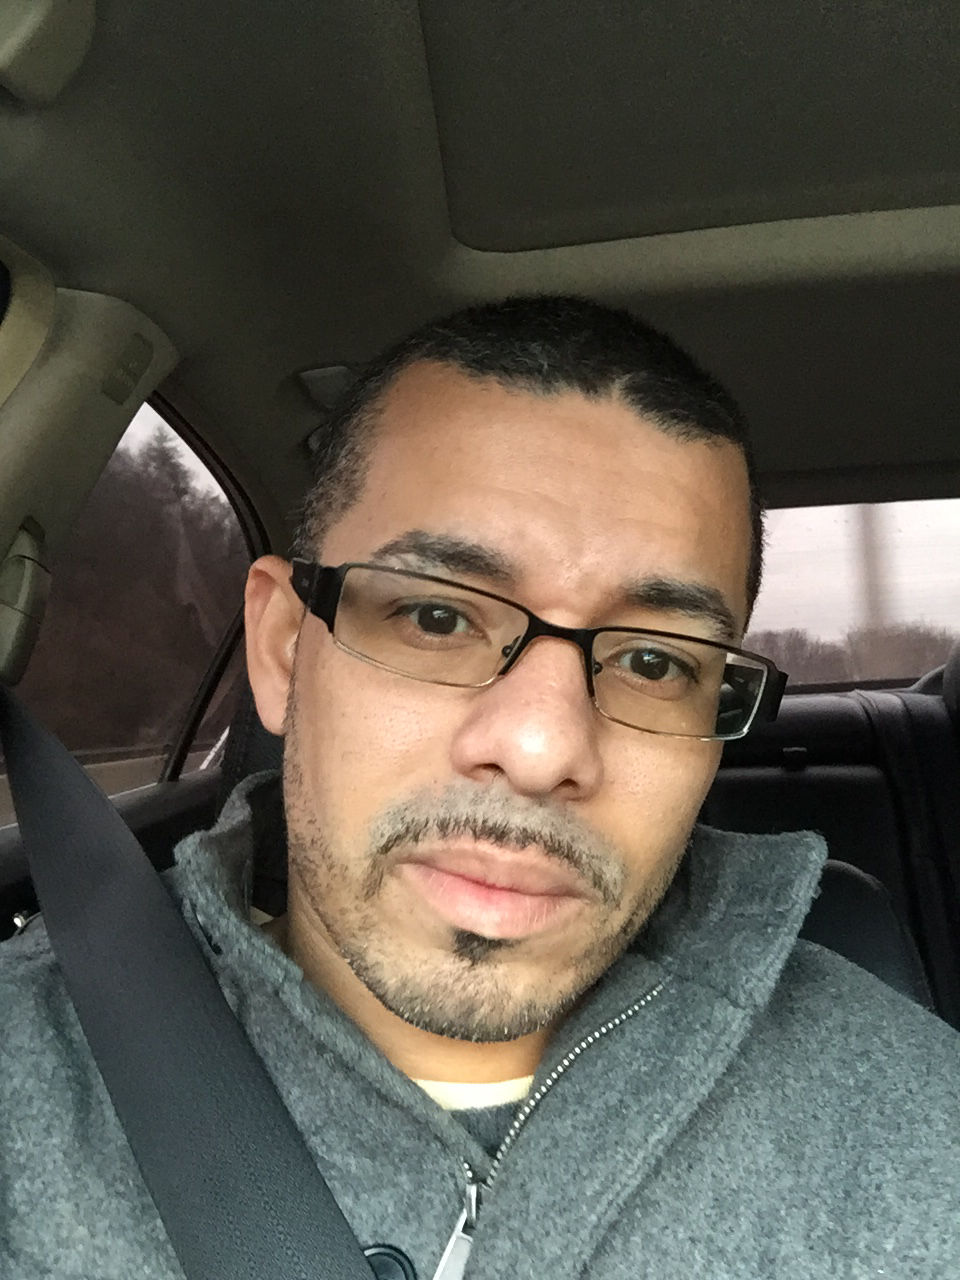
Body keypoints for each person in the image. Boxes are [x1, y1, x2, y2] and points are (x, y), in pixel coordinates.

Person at [3, 295, 960, 1279]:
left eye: (655, 661)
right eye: (437, 617)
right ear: (284, 647)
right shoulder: (24, 1090)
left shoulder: (917, 1128)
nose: (542, 747)